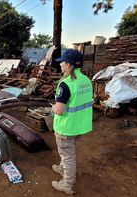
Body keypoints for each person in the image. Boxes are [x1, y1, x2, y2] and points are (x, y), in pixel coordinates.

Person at [51, 49, 93, 195]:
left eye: (62, 62)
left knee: (68, 156)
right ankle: (62, 168)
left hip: (66, 127)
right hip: (80, 125)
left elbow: (59, 110)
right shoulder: (86, 80)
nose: (60, 65)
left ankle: (67, 184)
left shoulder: (66, 84)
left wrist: (53, 108)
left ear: (68, 65)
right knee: (68, 152)